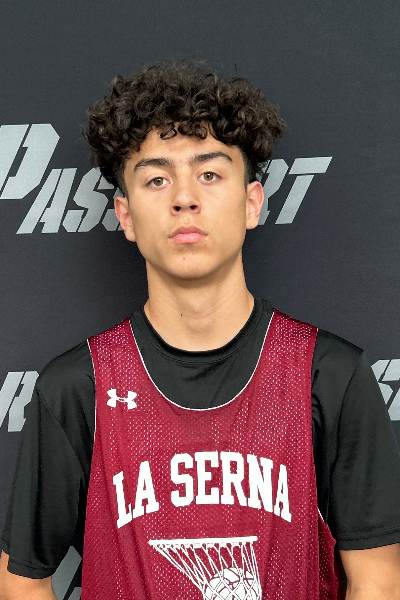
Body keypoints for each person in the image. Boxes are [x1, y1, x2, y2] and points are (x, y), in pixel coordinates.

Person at [1, 59, 400, 600]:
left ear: (251, 203)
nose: (184, 198)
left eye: (209, 174)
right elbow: (21, 581)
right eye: (157, 179)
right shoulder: (78, 388)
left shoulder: (329, 376)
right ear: (125, 215)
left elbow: (378, 579)